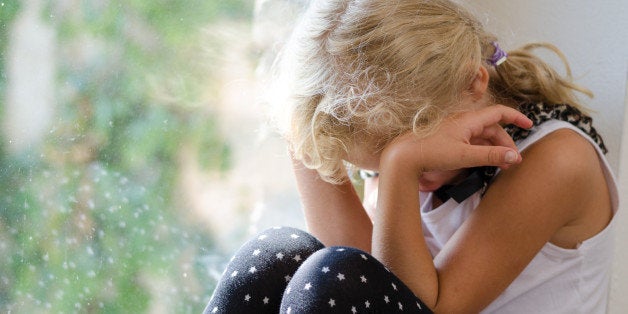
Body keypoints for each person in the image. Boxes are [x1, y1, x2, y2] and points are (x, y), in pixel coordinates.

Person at [204, 0, 618, 313]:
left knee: (334, 275)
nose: (389, 170)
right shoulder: (404, 127)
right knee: (279, 253)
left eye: (410, 152)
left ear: (473, 83)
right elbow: (365, 270)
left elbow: (425, 305)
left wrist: (402, 166)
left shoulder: (557, 160)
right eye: (376, 165)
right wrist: (305, 135)